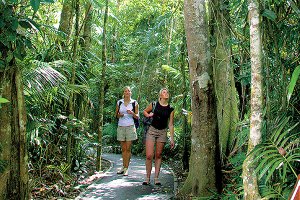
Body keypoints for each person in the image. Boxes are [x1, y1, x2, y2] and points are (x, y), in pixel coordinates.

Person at [142, 88, 175, 185]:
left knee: (159, 154)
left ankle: (156, 177)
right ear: (160, 95)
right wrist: (148, 115)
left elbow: (171, 124)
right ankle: (147, 177)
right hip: (152, 130)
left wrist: (172, 139)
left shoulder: (171, 108)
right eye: (164, 92)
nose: (166, 93)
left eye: (167, 92)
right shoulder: (154, 104)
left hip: (162, 132)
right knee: (149, 155)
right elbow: (145, 111)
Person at [115, 86, 139, 176]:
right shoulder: (119, 102)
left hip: (130, 126)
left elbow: (137, 116)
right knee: (123, 149)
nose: (127, 92)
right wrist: (119, 115)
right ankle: (123, 166)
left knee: (128, 149)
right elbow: (116, 115)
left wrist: (132, 113)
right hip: (121, 126)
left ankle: (126, 168)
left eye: (128, 91)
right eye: (125, 91)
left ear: (131, 93)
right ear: (123, 93)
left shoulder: (134, 103)